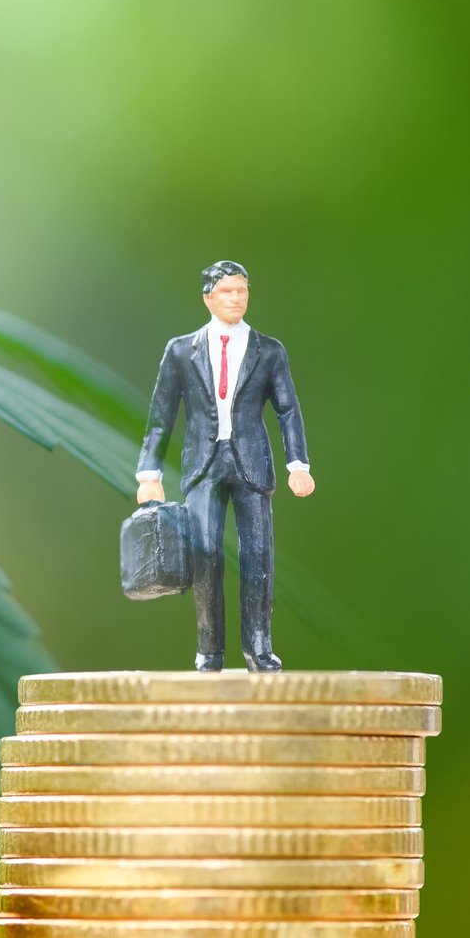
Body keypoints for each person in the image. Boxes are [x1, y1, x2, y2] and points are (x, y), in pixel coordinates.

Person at [135, 260, 314, 671]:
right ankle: (208, 650)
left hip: (252, 463)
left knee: (258, 556)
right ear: (208, 297)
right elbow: (162, 414)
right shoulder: (181, 351)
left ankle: (259, 647)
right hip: (203, 464)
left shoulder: (269, 351)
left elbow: (288, 410)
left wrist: (297, 464)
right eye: (228, 292)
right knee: (205, 557)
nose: (237, 299)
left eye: (242, 290)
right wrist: (149, 474)